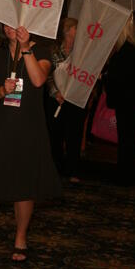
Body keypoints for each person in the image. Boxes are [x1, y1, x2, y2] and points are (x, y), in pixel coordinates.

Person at [0, 24, 61, 269]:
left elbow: (39, 80)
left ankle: (20, 237)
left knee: (23, 188)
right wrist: (0, 91)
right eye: (6, 22)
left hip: (28, 130)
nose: (10, 27)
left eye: (15, 22)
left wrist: (26, 48)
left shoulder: (42, 51)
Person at [106, 18, 135, 185]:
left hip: (124, 100)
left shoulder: (124, 51)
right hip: (132, 100)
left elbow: (117, 77)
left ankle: (124, 173)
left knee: (125, 137)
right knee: (127, 136)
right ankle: (127, 171)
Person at [45, 17, 85, 183]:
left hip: (75, 101)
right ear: (66, 33)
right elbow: (47, 75)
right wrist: (56, 93)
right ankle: (55, 168)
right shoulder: (53, 51)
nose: (75, 37)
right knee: (55, 135)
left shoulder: (82, 53)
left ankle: (72, 170)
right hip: (56, 100)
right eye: (74, 31)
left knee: (74, 136)